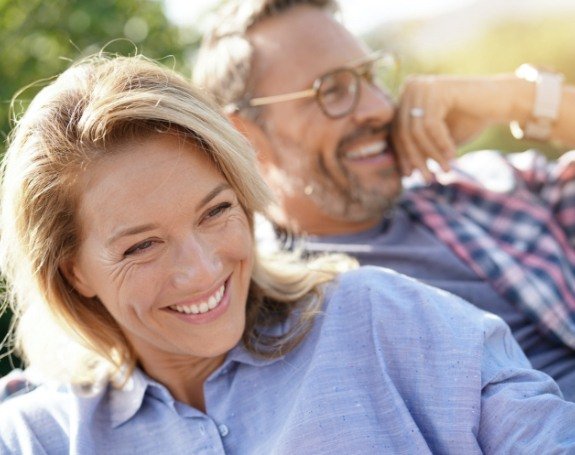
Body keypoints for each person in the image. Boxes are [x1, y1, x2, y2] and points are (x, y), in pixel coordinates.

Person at [1, 54, 575, 454]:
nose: (202, 270)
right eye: (141, 245)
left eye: (216, 211)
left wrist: (529, 96)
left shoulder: (384, 320)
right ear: (73, 270)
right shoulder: (37, 437)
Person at [194, 0, 575, 400]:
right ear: (244, 138)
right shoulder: (266, 309)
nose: (380, 107)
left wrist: (519, 98)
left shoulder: (485, 188)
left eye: (372, 76)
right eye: (333, 91)